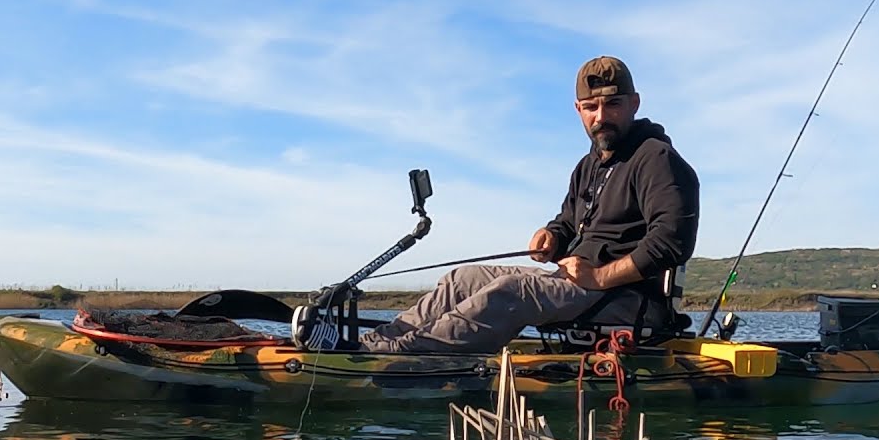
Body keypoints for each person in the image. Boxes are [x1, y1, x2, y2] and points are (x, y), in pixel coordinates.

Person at [292, 55, 700, 353]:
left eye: (612, 105)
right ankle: (371, 344)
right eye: (591, 107)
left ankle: (395, 356)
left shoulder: (656, 159)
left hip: (626, 299)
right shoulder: (589, 165)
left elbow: (672, 242)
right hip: (576, 281)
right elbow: (568, 220)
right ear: (578, 110)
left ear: (634, 103)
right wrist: (552, 237)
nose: (600, 116)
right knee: (461, 280)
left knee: (512, 290)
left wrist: (599, 277)